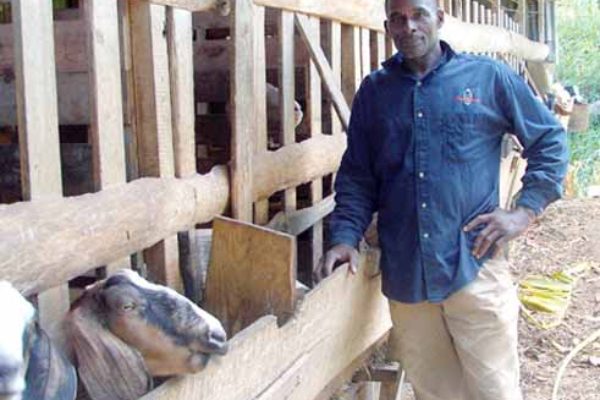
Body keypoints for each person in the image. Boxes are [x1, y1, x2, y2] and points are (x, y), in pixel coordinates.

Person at [315, 0, 569, 399]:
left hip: (474, 265)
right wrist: (345, 237)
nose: (409, 26)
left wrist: (524, 212)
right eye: (398, 19)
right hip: (408, 278)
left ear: (440, 18)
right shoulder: (375, 93)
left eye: (419, 14)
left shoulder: (487, 78)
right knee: (435, 393)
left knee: (496, 392)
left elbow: (549, 139)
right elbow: (358, 176)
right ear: (388, 26)